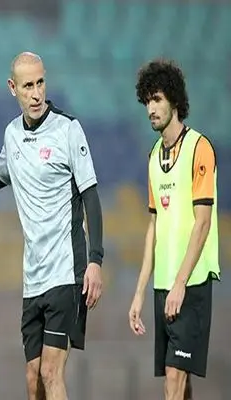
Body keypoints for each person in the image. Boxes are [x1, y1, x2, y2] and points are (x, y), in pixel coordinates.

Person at [0, 52, 104, 400]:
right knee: (33, 377)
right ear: (12, 88)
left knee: (51, 371)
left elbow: (90, 196)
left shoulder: (68, 129)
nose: (36, 93)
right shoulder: (12, 134)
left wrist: (95, 260)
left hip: (66, 272)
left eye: (40, 83)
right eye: (28, 86)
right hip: (34, 278)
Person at [128, 59, 219, 400]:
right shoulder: (154, 156)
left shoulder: (199, 148)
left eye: (157, 99)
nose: (151, 109)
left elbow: (203, 221)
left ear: (175, 101)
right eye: (147, 101)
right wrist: (139, 292)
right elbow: (154, 225)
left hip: (190, 284)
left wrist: (180, 282)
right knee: (181, 380)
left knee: (173, 379)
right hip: (163, 285)